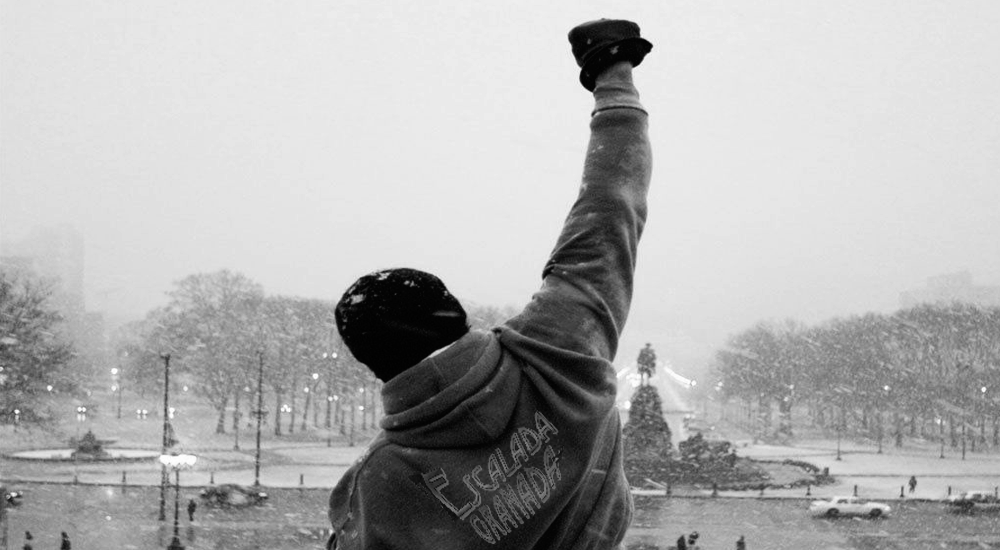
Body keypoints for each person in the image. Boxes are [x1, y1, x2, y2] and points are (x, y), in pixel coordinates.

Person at [326, 17, 654, 550]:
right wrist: (611, 73)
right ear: (454, 311)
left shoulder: (381, 485)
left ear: (372, 363)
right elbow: (611, 204)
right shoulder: (557, 347)